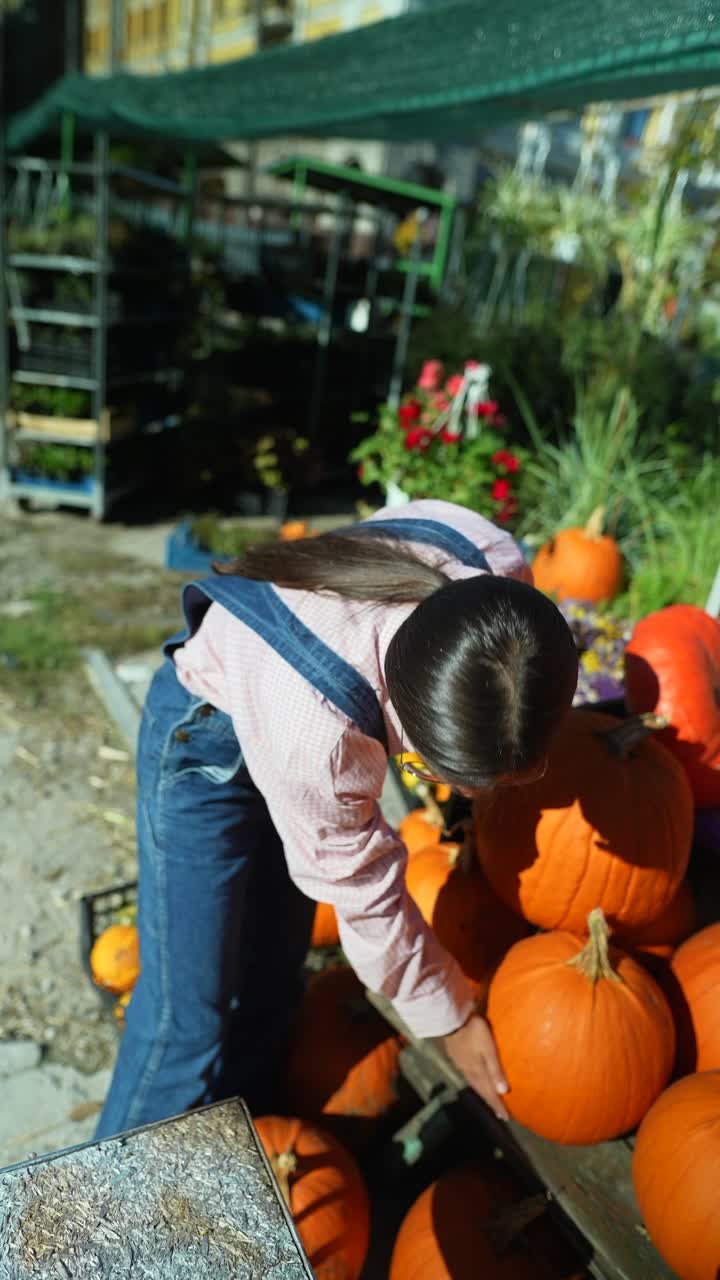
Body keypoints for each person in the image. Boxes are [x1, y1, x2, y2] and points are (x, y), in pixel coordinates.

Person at [95, 499, 578, 1139]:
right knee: (185, 1017)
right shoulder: (322, 743)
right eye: (457, 778)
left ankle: (246, 1142)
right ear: (417, 744)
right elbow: (365, 900)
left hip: (287, 708)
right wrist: (451, 1018)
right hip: (211, 745)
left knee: (274, 968)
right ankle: (98, 1220)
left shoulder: (496, 570)